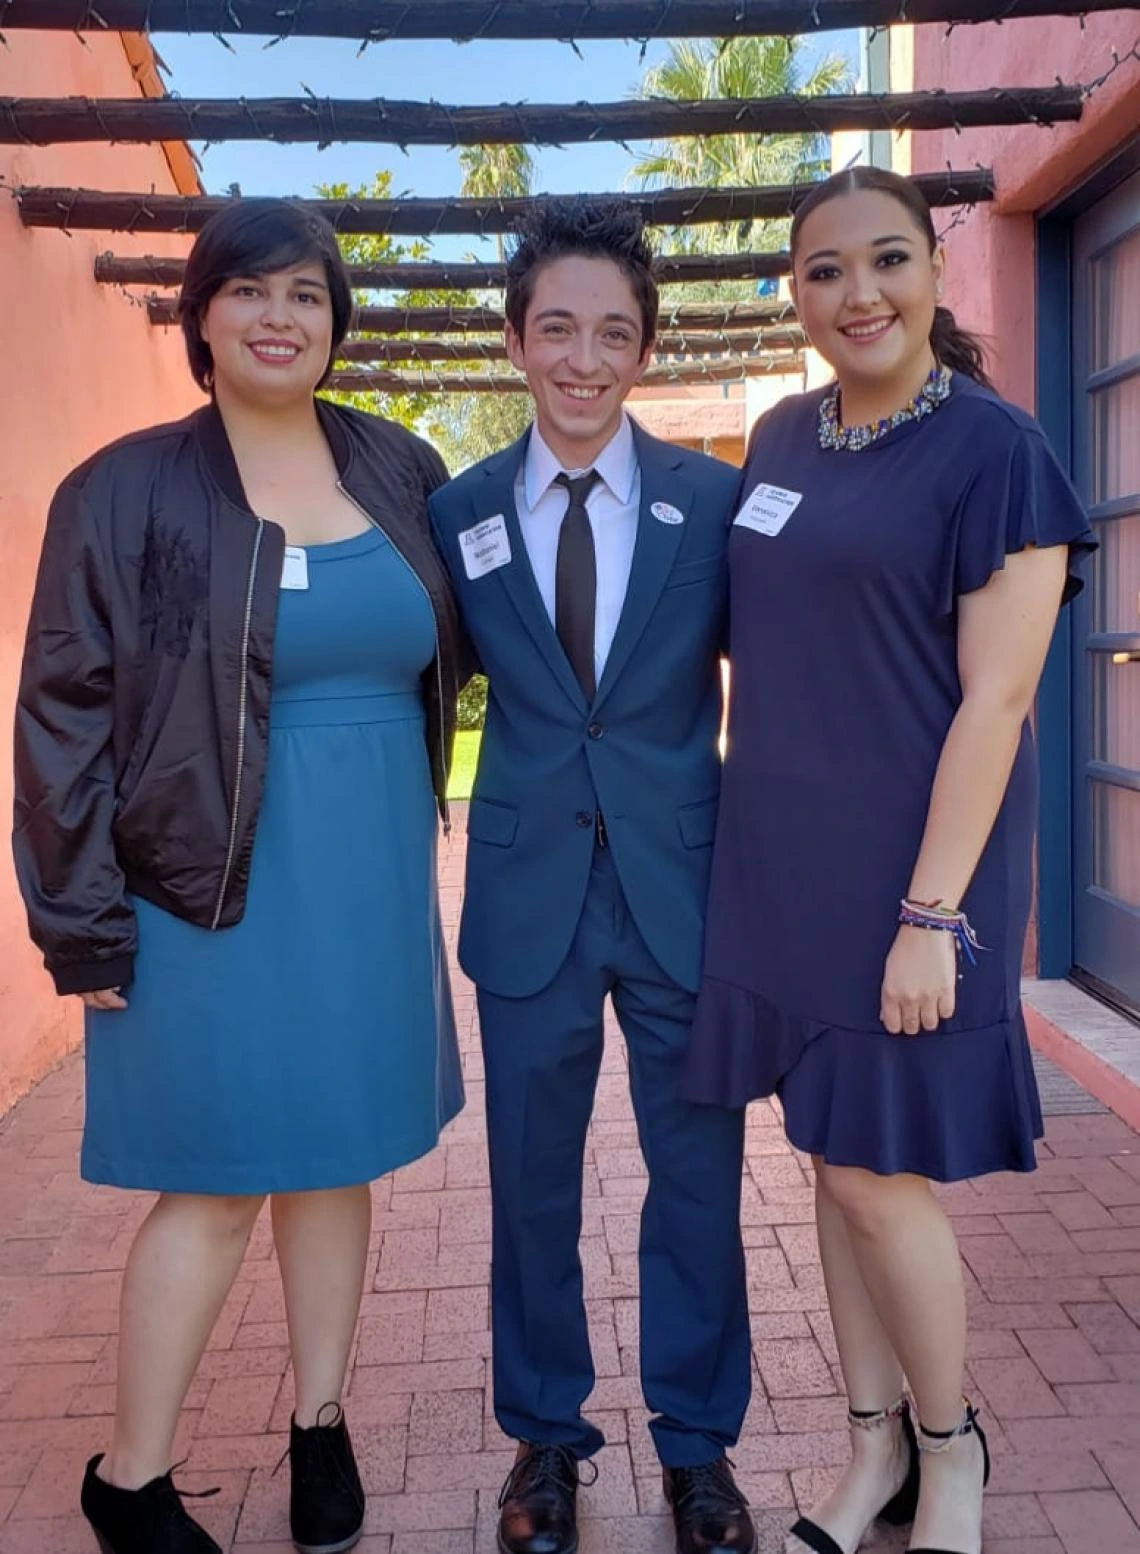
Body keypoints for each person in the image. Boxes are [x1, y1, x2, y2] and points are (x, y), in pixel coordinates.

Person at [12, 198, 464, 1554]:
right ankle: (130, 1474)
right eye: (251, 291)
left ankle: (319, 1421)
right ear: (202, 315)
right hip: (195, 893)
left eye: (309, 296)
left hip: (371, 885)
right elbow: (60, 714)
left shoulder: (404, 466)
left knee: (338, 1166)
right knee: (210, 1182)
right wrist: (81, 923)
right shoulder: (121, 487)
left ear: (338, 321)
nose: (281, 317)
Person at [682, 165, 1096, 1554]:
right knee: (826, 1154)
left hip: (916, 875)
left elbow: (998, 699)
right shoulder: (779, 437)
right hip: (780, 864)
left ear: (931, 269)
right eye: (823, 270)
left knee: (876, 1173)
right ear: (792, 291)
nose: (858, 293)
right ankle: (868, 1457)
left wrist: (932, 914)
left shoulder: (1000, 451)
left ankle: (951, 1445)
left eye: (887, 261)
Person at [428, 199, 755, 1554]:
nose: (583, 356)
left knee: (698, 1182)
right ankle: (545, 1441)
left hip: (683, 889)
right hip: (529, 897)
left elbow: (783, 690)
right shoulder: (454, 514)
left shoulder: (713, 503)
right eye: (557, 326)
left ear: (645, 347)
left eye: (613, 331)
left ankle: (697, 1449)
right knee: (531, 1186)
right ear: (516, 339)